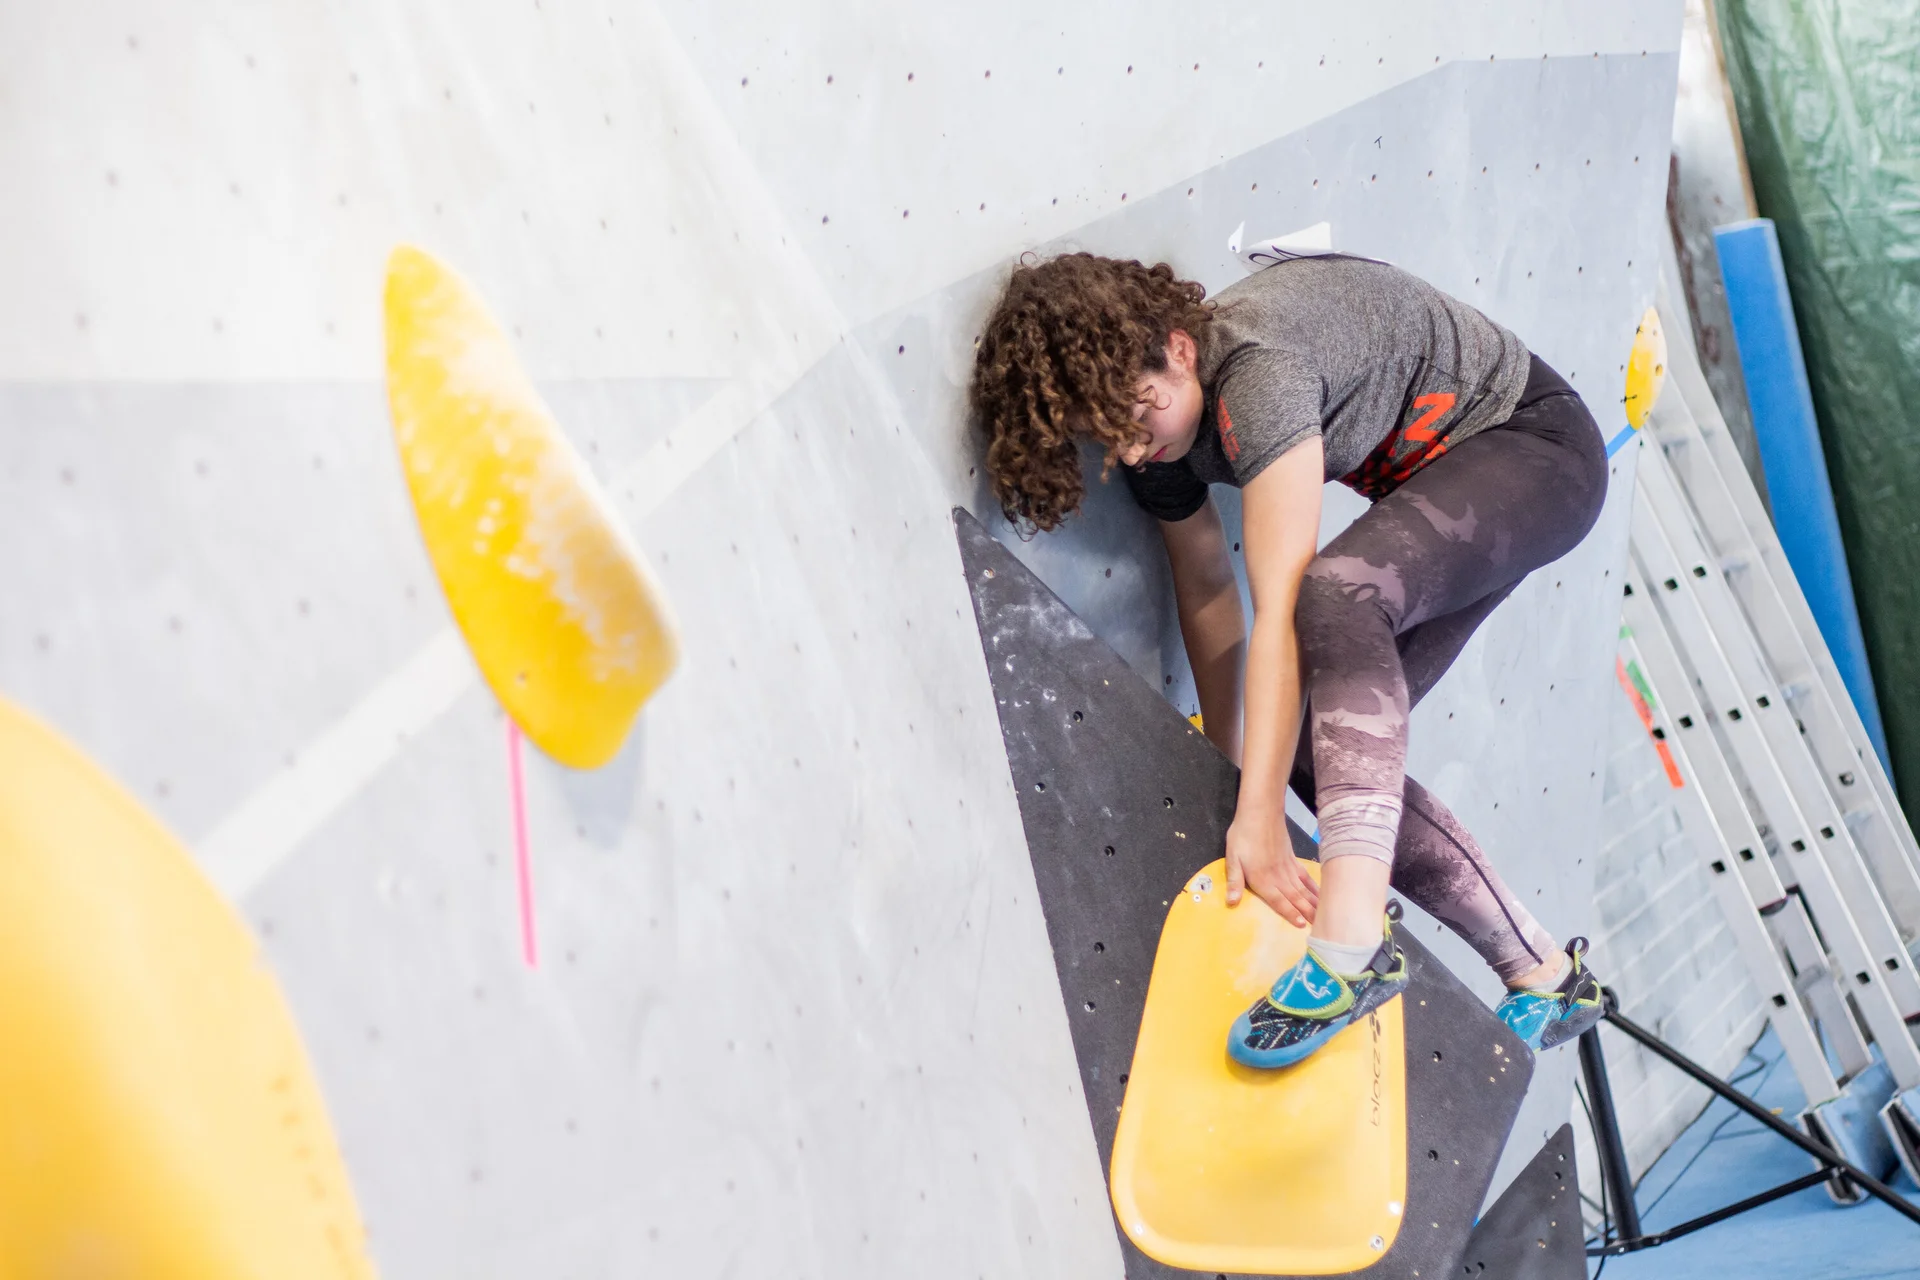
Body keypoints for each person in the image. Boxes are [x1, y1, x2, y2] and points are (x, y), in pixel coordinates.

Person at [970, 250, 1606, 1067]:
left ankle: (1349, 952)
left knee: (1332, 595)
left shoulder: (1260, 372)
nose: (1128, 452)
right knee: (1314, 747)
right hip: (1455, 496)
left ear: (1181, 349)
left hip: (1537, 450)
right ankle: (1545, 977)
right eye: (1106, 436)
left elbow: (1279, 607)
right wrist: (1239, 780)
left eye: (1137, 413)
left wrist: (1261, 818)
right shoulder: (1161, 448)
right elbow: (1205, 590)